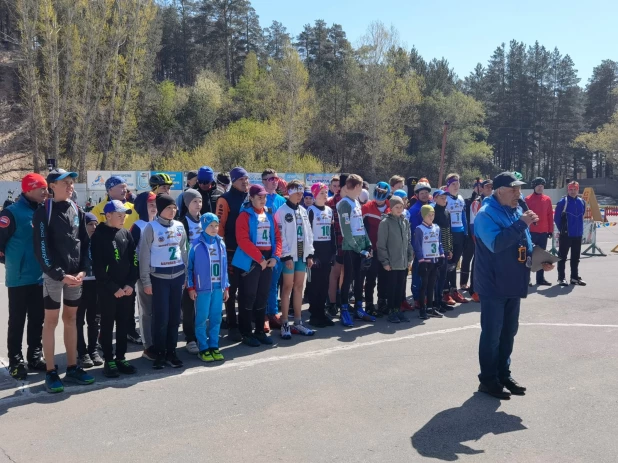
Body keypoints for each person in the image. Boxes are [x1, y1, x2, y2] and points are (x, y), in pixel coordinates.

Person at [474, 172, 554, 399]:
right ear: (500, 191)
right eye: (514, 190)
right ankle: (488, 380)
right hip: (493, 283)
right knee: (492, 333)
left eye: (519, 189)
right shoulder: (485, 214)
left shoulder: (516, 211)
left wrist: (539, 261)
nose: (519, 194)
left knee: (509, 331)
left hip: (513, 281)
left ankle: (503, 374)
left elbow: (523, 245)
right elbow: (497, 244)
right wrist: (522, 223)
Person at [33, 168, 95, 393]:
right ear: (52, 186)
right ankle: (50, 372)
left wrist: (83, 270)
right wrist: (60, 274)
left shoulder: (77, 209)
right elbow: (41, 247)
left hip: (75, 276)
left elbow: (84, 243)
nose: (70, 186)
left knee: (71, 319)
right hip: (54, 276)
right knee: (51, 322)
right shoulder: (44, 211)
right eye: (65, 182)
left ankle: (72, 368)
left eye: (71, 182)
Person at [0, 173, 48, 380]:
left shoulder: (44, 210)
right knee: (17, 320)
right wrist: (13, 263)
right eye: (42, 189)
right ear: (28, 189)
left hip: (41, 277)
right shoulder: (11, 213)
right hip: (19, 277)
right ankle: (16, 361)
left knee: (38, 318)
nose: (46, 192)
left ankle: (35, 356)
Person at [139, 194, 187, 369]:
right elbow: (144, 255)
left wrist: (186, 276)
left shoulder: (180, 226)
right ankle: (159, 352)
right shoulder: (151, 228)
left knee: (175, 317)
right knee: (161, 318)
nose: (172, 211)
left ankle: (171, 351)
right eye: (168, 208)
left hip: (177, 277)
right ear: (160, 209)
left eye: (174, 207)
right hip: (158, 278)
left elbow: (184, 250)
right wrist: (146, 281)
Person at [91, 200, 139, 378]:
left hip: (125, 289)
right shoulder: (99, 235)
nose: (123, 218)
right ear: (108, 215)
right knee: (107, 323)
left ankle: (120, 357)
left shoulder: (126, 233)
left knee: (123, 323)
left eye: (124, 215)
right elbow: (98, 265)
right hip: (108, 290)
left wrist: (130, 284)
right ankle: (109, 359)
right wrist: (112, 287)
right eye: (119, 215)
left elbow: (134, 260)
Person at [232, 184, 281, 347]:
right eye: (259, 197)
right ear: (251, 198)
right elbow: (243, 240)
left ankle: (259, 330)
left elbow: (277, 237)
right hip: (251, 260)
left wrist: (275, 256)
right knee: (248, 297)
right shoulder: (244, 216)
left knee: (262, 296)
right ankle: (246, 332)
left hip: (267, 260)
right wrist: (259, 258)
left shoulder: (269, 214)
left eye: (264, 197)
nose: (262, 199)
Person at [275, 180, 315, 339]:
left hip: (302, 256)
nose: (300, 195)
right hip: (289, 257)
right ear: (290, 192)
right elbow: (280, 235)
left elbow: (309, 233)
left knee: (299, 287)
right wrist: (285, 256)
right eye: (298, 192)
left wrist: (310, 253)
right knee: (287, 288)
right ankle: (285, 322)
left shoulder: (303, 211)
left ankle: (298, 321)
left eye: (301, 192)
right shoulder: (281, 211)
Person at [187, 213, 229, 362]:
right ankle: (203, 347)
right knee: (201, 318)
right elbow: (189, 268)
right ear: (204, 226)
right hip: (202, 288)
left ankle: (214, 345)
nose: (214, 228)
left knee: (216, 317)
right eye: (210, 225)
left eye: (216, 225)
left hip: (218, 287)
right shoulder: (196, 244)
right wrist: (191, 287)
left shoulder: (221, 243)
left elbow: (224, 267)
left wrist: (226, 287)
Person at [216, 167, 250, 342]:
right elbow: (219, 226)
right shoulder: (224, 199)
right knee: (231, 289)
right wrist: (219, 249)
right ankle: (232, 325)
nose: (245, 182)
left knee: (245, 290)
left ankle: (245, 323)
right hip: (230, 250)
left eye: (246, 178)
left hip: (248, 251)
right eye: (241, 179)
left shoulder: (250, 197)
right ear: (233, 181)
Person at [337, 174, 375, 326]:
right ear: (357, 186)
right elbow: (346, 230)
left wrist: (368, 243)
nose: (362, 190)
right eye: (361, 187)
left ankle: (359, 308)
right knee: (348, 279)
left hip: (361, 246)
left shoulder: (356, 202)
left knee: (360, 279)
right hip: (350, 247)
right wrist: (359, 249)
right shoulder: (344, 204)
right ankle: (344, 310)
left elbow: (361, 225)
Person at [377, 195, 413, 324]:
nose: (399, 209)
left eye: (401, 207)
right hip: (392, 263)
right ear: (391, 208)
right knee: (391, 289)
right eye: (396, 207)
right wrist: (385, 262)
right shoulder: (385, 223)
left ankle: (398, 310)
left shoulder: (405, 222)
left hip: (403, 263)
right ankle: (391, 311)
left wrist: (410, 257)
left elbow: (408, 241)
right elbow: (381, 245)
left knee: (400, 289)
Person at [130, 191, 158, 360]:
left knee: (159, 310)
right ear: (142, 207)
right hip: (144, 274)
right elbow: (133, 252)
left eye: (155, 204)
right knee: (146, 311)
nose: (154, 208)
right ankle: (148, 345)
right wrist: (138, 273)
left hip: (160, 273)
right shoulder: (137, 226)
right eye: (150, 204)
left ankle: (159, 340)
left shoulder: (160, 224)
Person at [76, 212, 103, 369]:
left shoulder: (99, 241)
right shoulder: (77, 242)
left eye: (95, 224)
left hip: (96, 284)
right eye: (90, 224)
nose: (93, 227)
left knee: (94, 320)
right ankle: (82, 352)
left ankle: (93, 350)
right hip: (79, 285)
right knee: (78, 320)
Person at [307, 183, 336, 327]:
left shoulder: (329, 210)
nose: (325, 195)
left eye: (326, 192)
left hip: (327, 250)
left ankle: (321, 312)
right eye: (322, 193)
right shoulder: (310, 210)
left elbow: (332, 232)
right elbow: (308, 233)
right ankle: (314, 314)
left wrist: (333, 252)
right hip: (316, 250)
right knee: (315, 284)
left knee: (325, 284)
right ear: (315, 195)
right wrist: (312, 254)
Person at [362, 181, 391, 317]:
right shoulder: (367, 207)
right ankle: (368, 303)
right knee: (371, 277)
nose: (379, 197)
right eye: (377, 193)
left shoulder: (391, 207)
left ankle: (382, 302)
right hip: (372, 248)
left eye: (383, 194)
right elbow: (360, 228)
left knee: (384, 277)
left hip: (386, 249)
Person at [262, 168, 286, 330]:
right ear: (263, 181)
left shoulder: (282, 201)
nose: (274, 180)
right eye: (271, 179)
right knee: (263, 284)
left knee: (274, 283)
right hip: (263, 247)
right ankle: (262, 314)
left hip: (279, 248)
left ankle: (273, 313)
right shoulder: (259, 198)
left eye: (276, 178)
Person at [179, 188, 203, 355]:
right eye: (194, 201)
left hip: (204, 269)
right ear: (187, 203)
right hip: (189, 269)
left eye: (200, 201)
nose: (198, 204)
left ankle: (201, 335)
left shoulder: (206, 220)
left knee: (202, 305)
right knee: (188, 306)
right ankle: (190, 338)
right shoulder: (182, 223)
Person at [412, 205, 445, 320]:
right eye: (428, 215)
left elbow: (439, 242)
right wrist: (421, 261)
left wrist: (441, 255)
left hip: (434, 261)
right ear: (423, 215)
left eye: (433, 215)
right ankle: (422, 309)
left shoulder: (437, 227)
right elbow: (417, 246)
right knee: (424, 286)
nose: (431, 217)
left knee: (432, 285)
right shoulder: (419, 229)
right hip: (425, 262)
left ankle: (430, 308)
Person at [554, 181, 586, 287]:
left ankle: (574, 277)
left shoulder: (582, 201)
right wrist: (563, 230)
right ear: (568, 190)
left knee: (576, 258)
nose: (573, 191)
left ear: (578, 190)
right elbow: (557, 218)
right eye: (571, 189)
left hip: (578, 235)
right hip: (566, 235)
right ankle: (561, 278)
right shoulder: (563, 201)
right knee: (562, 257)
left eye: (575, 189)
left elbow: (582, 216)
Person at [467, 179, 493, 302]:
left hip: (492, 239)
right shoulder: (476, 203)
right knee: (477, 264)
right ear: (481, 188)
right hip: (479, 239)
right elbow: (473, 224)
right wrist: (475, 239)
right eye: (487, 186)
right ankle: (474, 290)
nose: (489, 189)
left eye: (491, 187)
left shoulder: (496, 201)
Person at [525, 178, 554, 286]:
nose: (540, 187)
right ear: (534, 186)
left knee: (542, 256)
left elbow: (550, 215)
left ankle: (540, 278)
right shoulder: (527, 199)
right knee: (529, 256)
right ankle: (527, 279)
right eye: (538, 185)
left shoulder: (547, 199)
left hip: (543, 232)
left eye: (542, 186)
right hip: (531, 232)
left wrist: (550, 230)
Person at [445, 173, 469, 305]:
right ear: (448, 186)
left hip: (460, 233)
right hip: (450, 234)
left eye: (457, 183)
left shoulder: (460, 198)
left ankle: (454, 289)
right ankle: (445, 291)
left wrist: (466, 233)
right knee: (448, 263)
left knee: (455, 263)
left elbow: (464, 217)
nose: (456, 186)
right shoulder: (445, 198)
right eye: (453, 184)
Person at [408, 181, 432, 309]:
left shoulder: (431, 207)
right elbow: (413, 231)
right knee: (418, 272)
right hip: (419, 247)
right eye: (422, 193)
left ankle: (427, 296)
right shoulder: (414, 210)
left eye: (426, 193)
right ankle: (417, 297)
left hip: (430, 246)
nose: (424, 195)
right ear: (417, 195)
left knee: (429, 273)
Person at [326, 173, 347, 316]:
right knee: (334, 274)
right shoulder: (331, 201)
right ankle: (332, 303)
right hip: (335, 243)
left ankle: (341, 301)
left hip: (349, 243)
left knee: (345, 275)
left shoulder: (353, 201)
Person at [432, 190, 454, 312]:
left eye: (445, 198)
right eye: (441, 198)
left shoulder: (447, 212)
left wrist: (449, 248)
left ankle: (440, 300)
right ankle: (435, 302)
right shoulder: (433, 212)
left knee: (443, 277)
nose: (444, 200)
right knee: (436, 276)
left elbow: (449, 231)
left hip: (445, 249)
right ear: (435, 198)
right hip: (436, 250)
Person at [461, 180, 482, 290]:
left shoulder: (484, 200)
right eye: (477, 186)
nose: (479, 188)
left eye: (481, 186)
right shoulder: (468, 201)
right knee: (467, 259)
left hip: (479, 234)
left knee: (477, 261)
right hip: (469, 234)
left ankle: (475, 284)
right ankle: (463, 282)